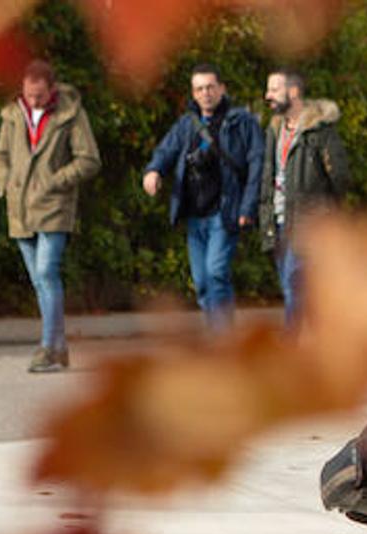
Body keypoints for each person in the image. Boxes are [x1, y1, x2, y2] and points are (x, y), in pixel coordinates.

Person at [0, 60, 100, 373]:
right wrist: (4, 181)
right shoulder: (12, 115)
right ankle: (60, 347)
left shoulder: (71, 114)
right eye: (28, 95)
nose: (33, 101)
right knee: (39, 281)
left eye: (38, 96)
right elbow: (0, 156)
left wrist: (53, 181)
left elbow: (89, 160)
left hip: (54, 207)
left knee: (47, 273)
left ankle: (47, 348)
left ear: (51, 90)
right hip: (20, 208)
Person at [142, 63, 263, 332]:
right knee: (201, 282)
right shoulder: (187, 123)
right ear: (193, 93)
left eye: (210, 87)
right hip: (195, 213)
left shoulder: (241, 122)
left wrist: (248, 206)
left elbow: (257, 164)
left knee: (216, 271)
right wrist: (153, 171)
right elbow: (165, 151)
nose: (205, 93)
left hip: (225, 209)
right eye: (199, 89)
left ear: (222, 88)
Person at [260, 69, 351, 332]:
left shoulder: (319, 132)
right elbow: (267, 175)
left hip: (308, 225)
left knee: (293, 286)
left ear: (294, 92)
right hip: (277, 222)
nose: (268, 96)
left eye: (274, 89)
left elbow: (340, 180)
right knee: (299, 291)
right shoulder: (274, 130)